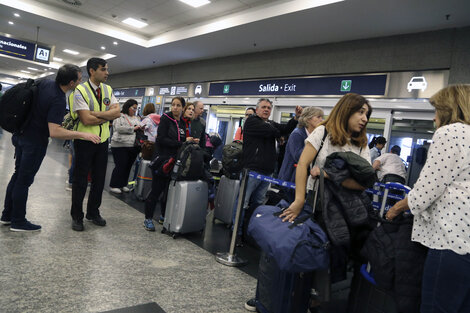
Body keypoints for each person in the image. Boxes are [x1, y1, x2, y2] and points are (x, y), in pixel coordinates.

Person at [385, 85, 470, 313]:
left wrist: (396, 209)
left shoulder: (450, 133)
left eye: (436, 111)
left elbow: (425, 192)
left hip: (450, 242)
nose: (433, 118)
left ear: (449, 109)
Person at [0, 64, 101, 231]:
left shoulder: (44, 82)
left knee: (18, 176)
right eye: (79, 79)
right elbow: (54, 132)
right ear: (71, 83)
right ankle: (18, 221)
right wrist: (83, 134)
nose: (81, 82)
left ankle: (7, 215)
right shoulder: (58, 99)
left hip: (20, 134)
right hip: (34, 142)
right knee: (24, 181)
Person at [234, 98, 301, 245]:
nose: (266, 110)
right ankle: (235, 233)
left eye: (269, 108)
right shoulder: (251, 121)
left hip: (267, 172)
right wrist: (278, 134)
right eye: (264, 107)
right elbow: (272, 131)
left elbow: (284, 129)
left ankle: (248, 231)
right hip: (251, 170)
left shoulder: (269, 124)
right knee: (242, 204)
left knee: (257, 204)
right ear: (257, 109)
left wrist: (295, 118)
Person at [69, 57, 121, 231]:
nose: (107, 73)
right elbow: (85, 118)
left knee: (99, 180)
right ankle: (77, 216)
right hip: (84, 141)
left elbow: (117, 113)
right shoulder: (80, 90)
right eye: (103, 69)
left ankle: (93, 212)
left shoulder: (108, 89)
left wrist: (95, 114)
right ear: (92, 71)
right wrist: (106, 115)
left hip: (102, 141)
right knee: (80, 180)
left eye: (107, 69)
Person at [144, 97, 187, 231]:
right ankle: (148, 218)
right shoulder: (166, 119)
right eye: (173, 105)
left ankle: (163, 215)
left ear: (182, 108)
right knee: (157, 189)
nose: (175, 107)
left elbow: (182, 138)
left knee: (168, 191)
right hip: (162, 160)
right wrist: (181, 143)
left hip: (174, 161)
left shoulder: (182, 123)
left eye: (178, 105)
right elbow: (161, 139)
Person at [278, 106, 324, 202]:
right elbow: (299, 157)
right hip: (290, 179)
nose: (321, 120)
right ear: (308, 119)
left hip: (302, 179)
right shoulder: (297, 134)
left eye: (322, 117)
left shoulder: (315, 135)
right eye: (318, 117)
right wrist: (313, 141)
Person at [109, 99, 141, 194]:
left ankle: (123, 184)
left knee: (128, 166)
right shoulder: (119, 116)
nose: (135, 110)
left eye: (136, 108)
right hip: (119, 145)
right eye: (133, 108)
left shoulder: (136, 118)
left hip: (132, 145)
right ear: (128, 107)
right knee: (120, 165)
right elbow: (119, 128)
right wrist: (133, 129)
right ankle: (114, 185)